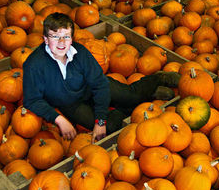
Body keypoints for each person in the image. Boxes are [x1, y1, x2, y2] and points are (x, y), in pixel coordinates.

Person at [23, 12, 180, 142]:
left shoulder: (79, 53)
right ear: (45, 39)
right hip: (70, 104)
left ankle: (158, 78)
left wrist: (100, 121)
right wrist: (58, 119)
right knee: (110, 128)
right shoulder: (34, 64)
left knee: (131, 95)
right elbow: (32, 100)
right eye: (56, 37)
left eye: (66, 37)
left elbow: (99, 84)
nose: (62, 43)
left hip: (91, 87)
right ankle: (144, 98)